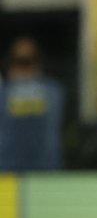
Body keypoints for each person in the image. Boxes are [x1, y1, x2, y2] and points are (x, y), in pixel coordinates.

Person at [0, 36, 65, 172]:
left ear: (10, 64)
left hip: (8, 173)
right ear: (38, 63)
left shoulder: (4, 93)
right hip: (46, 172)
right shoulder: (54, 91)